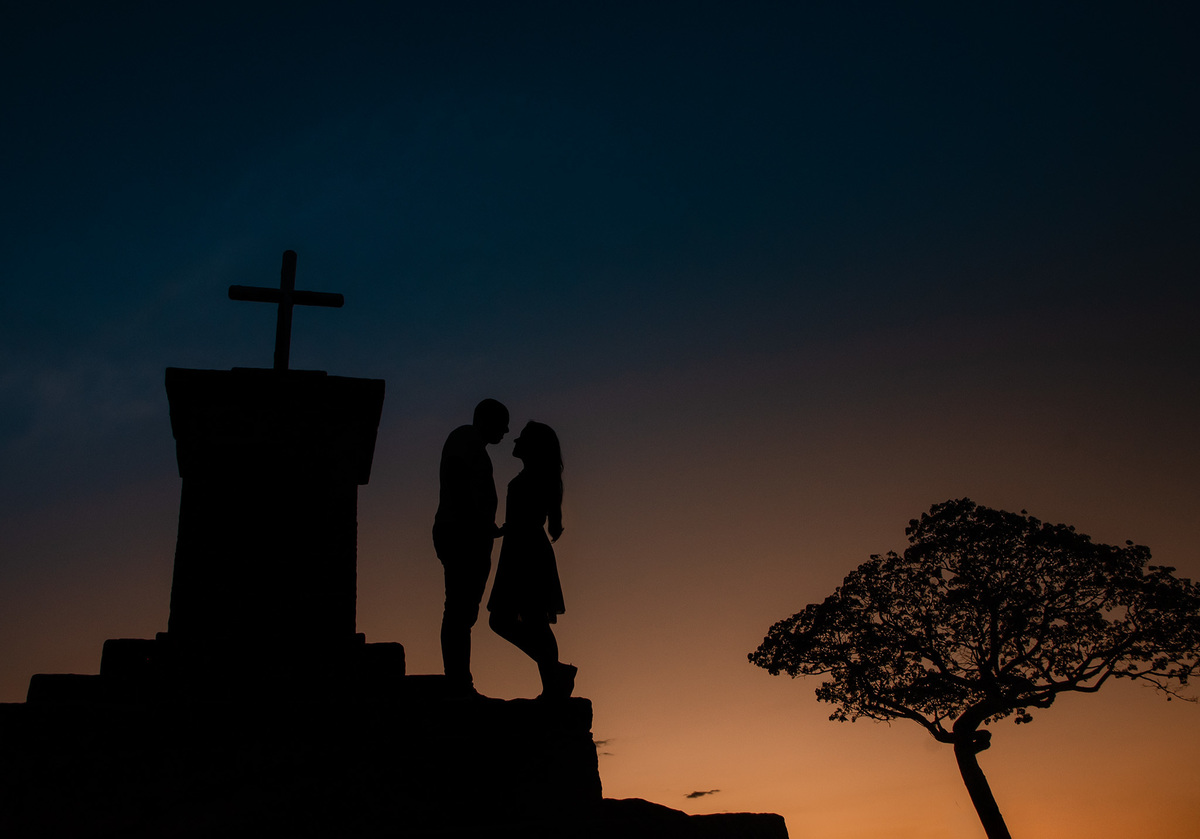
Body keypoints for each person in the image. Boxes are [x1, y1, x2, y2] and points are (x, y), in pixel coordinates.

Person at [487, 421, 576, 699]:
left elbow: (527, 519)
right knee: (510, 621)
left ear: (533, 447)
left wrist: (509, 528)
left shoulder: (534, 478)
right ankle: (555, 674)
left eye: (521, 439)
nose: (514, 442)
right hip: (520, 550)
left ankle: (553, 681)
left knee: (530, 621)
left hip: (526, 554)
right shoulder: (533, 477)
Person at [433, 398, 509, 695]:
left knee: (463, 612)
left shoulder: (473, 445)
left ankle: (460, 680)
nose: (505, 430)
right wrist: (473, 522)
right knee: (458, 611)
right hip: (461, 537)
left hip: (470, 536)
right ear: (487, 420)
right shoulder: (466, 437)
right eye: (502, 423)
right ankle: (458, 682)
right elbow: (457, 478)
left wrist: (485, 527)